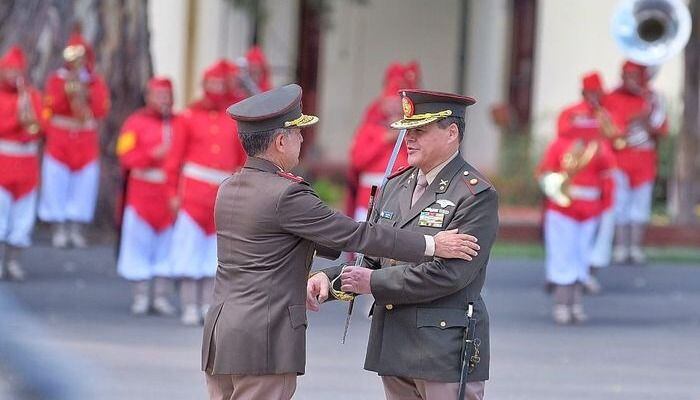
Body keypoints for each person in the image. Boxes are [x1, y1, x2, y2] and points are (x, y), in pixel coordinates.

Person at [202, 84, 480, 400]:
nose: (302, 140)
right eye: (297, 134)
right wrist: (431, 246)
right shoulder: (285, 194)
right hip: (264, 338)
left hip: (222, 335)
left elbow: (284, 241)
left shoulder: (229, 188)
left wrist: (328, 278)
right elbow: (354, 235)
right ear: (281, 141)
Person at [309, 89, 499, 400]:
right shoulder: (396, 186)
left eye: (420, 131)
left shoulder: (474, 195)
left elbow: (451, 274)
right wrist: (327, 281)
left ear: (452, 133)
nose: (409, 138)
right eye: (407, 130)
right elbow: (372, 257)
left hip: (442, 350)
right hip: (395, 344)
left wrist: (374, 283)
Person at [164, 60, 247, 326]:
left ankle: (208, 308)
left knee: (215, 257)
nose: (216, 88)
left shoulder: (234, 119)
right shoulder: (187, 117)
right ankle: (189, 305)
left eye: (220, 84)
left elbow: (241, 160)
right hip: (192, 195)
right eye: (212, 83)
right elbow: (174, 159)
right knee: (189, 254)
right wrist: (171, 193)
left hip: (222, 195)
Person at [536, 74, 616, 324]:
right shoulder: (560, 145)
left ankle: (576, 305)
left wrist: (605, 204)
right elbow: (545, 173)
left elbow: (608, 176)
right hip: (563, 209)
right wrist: (557, 191)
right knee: (562, 255)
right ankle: (562, 305)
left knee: (581, 256)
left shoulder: (600, 146)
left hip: (590, 208)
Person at [115, 77, 182, 316]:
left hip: (168, 194)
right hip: (141, 194)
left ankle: (161, 297)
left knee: (167, 248)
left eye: (167, 96)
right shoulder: (134, 123)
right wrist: (152, 155)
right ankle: (141, 296)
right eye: (159, 95)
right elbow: (124, 156)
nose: (164, 100)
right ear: (148, 96)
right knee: (138, 246)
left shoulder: (180, 123)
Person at [38, 29, 111, 248]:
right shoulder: (57, 79)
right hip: (61, 138)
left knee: (83, 186)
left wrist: (86, 92)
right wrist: (68, 90)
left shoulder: (95, 82)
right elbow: (52, 106)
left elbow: (100, 110)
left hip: (85, 140)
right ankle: (58, 229)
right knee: (56, 183)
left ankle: (75, 229)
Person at [606, 61, 668, 264]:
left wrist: (647, 118)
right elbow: (610, 129)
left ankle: (636, 248)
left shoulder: (653, 98)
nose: (629, 79)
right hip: (620, 157)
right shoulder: (612, 97)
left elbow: (661, 130)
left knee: (640, 206)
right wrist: (633, 118)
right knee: (620, 204)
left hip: (644, 159)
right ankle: (620, 248)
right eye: (626, 75)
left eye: (634, 75)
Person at [0, 46, 43, 281]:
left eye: (17, 70)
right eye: (9, 70)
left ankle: (14, 261)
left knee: (23, 216)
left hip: (27, 164)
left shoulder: (32, 95)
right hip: (4, 162)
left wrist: (31, 127)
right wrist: (15, 120)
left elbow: (41, 126)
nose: (14, 75)